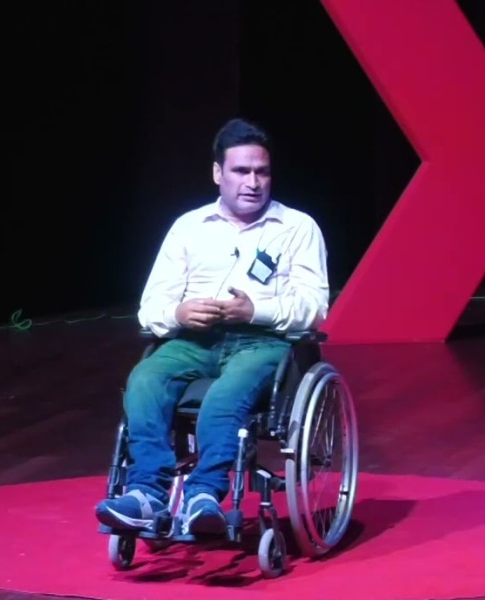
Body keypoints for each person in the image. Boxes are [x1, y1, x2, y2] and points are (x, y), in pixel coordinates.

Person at [95, 118, 330, 536]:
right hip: (195, 340)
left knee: (225, 398)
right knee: (145, 379)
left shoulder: (297, 228)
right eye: (241, 171)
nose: (253, 182)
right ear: (218, 173)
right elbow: (152, 307)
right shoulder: (188, 227)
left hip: (262, 343)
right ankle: (147, 493)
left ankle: (203, 495)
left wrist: (254, 310)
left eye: (262, 172)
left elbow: (314, 308)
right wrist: (180, 313)